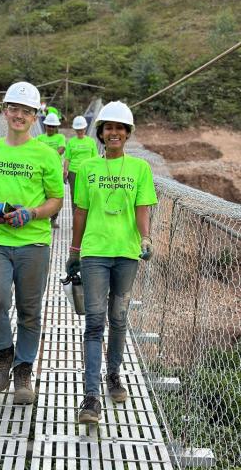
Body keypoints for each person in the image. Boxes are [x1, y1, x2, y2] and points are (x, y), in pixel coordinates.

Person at [0, 81, 64, 404]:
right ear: (5, 110)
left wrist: (33, 213)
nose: (19, 115)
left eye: (26, 111)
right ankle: (4, 355)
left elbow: (56, 199)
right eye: (14, 109)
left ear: (36, 116)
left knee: (29, 310)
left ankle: (23, 370)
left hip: (33, 242)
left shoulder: (46, 155)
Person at [65, 101, 158, 424]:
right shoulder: (90, 167)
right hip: (94, 252)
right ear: (101, 134)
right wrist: (74, 252)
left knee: (118, 318)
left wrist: (145, 239)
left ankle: (114, 375)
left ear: (128, 133)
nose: (114, 133)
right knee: (94, 322)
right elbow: (80, 212)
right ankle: (90, 397)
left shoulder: (140, 169)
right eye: (108, 128)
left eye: (120, 128)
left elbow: (142, 208)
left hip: (127, 253)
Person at [36, 112, 66, 228]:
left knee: (55, 196)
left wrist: (47, 158)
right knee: (42, 194)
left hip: (55, 170)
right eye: (49, 126)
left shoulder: (60, 137)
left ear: (56, 127)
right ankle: (42, 216)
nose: (51, 128)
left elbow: (61, 149)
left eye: (53, 126)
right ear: (45, 126)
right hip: (41, 170)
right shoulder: (39, 138)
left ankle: (53, 219)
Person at [64, 115, 98, 214]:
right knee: (75, 195)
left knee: (88, 194)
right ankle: (76, 218)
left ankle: (87, 218)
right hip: (73, 172)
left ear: (85, 128)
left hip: (88, 172)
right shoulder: (71, 142)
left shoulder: (91, 141)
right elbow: (67, 158)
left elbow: (95, 158)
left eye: (81, 129)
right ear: (75, 129)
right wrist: (65, 171)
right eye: (78, 129)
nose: (80, 131)